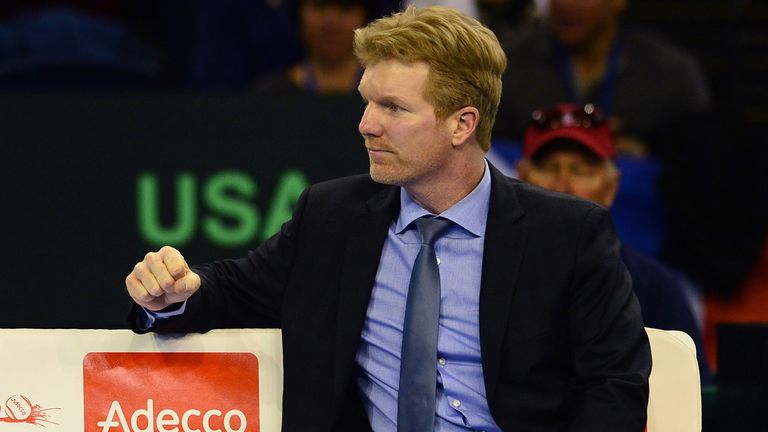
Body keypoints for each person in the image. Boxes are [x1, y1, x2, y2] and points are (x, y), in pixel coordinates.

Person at [125, 6, 650, 431]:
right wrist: (173, 293)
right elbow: (230, 290)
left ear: (462, 124)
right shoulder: (331, 217)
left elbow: (615, 386)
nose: (366, 125)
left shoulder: (567, 234)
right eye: (367, 102)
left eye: (393, 108)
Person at [516, 102, 712, 383]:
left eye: (581, 170)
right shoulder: (490, 273)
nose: (562, 186)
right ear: (521, 179)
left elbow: (691, 393)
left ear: (611, 187)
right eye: (548, 168)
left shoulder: (656, 287)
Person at [494, 0, 712, 158]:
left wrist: (645, 153)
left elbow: (700, 162)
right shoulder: (505, 68)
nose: (566, 5)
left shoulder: (671, 73)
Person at [252, 0, 374, 95]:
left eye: (345, 7)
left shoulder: (383, 92)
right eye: (319, 6)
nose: (331, 21)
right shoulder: (269, 96)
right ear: (299, 15)